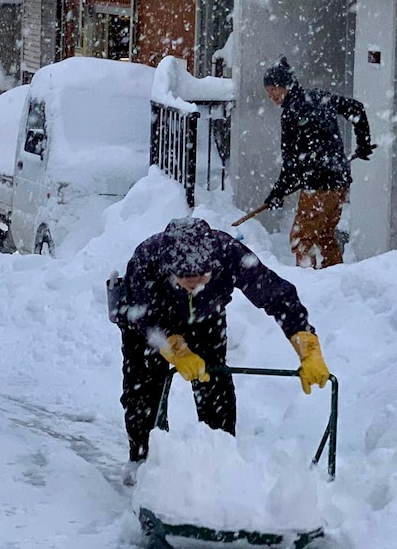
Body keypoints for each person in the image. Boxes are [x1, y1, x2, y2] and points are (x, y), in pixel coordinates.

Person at [108, 218, 330, 477]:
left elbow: (277, 296)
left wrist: (306, 344)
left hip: (206, 319)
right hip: (150, 326)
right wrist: (176, 350)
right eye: (185, 279)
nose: (194, 285)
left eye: (202, 277)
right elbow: (143, 317)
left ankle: (220, 461)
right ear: (170, 270)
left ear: (213, 266)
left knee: (215, 388)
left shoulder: (229, 255)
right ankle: (144, 460)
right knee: (143, 391)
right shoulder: (147, 259)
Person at [258, 56, 375, 268]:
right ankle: (335, 279)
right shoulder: (319, 97)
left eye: (274, 89)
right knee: (325, 235)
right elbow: (356, 108)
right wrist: (364, 142)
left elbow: (292, 163)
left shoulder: (291, 113)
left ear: (286, 85)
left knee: (302, 239)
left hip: (318, 186)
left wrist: (278, 192)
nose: (272, 96)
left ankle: (307, 285)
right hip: (339, 181)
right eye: (268, 92)